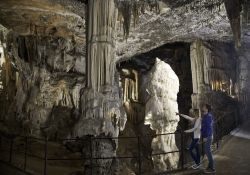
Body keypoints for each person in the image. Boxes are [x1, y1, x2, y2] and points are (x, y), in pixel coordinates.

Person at [201, 104, 215, 174]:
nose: (202, 107)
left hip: (208, 136)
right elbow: (204, 126)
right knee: (207, 151)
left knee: (208, 152)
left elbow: (209, 128)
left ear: (207, 109)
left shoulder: (208, 116)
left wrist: (206, 137)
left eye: (204, 107)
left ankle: (212, 168)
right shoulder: (205, 116)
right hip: (206, 136)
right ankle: (209, 166)